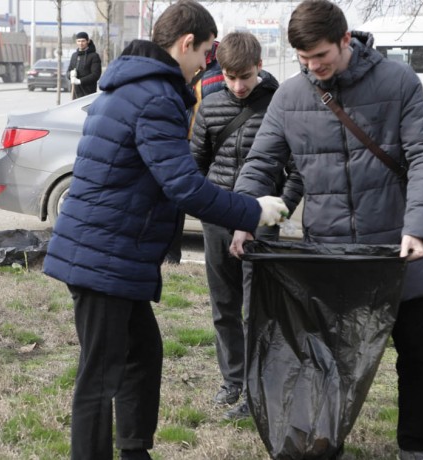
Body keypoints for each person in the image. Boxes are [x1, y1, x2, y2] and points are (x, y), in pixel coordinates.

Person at [42, 1, 289, 459]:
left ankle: (135, 450)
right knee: (100, 375)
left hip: (113, 251)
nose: (207, 64)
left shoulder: (131, 85)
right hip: (104, 254)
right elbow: (184, 187)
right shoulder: (156, 95)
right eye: (206, 53)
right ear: (186, 43)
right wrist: (251, 211)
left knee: (143, 354)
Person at [229, 1, 423, 458]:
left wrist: (418, 227)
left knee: (415, 355)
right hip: (327, 255)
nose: (313, 68)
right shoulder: (290, 96)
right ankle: (322, 441)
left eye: (321, 57)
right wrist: (244, 218)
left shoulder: (397, 81)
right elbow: (261, 163)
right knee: (322, 358)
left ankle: (414, 446)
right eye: (304, 60)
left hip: (394, 250)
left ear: (346, 40)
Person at [189, 31, 298, 420]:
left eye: (246, 77)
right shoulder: (210, 106)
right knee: (225, 307)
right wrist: (212, 207)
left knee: (260, 310)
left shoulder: (280, 106)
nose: (238, 86)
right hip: (218, 221)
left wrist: (274, 213)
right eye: (231, 77)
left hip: (263, 222)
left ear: (260, 67)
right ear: (222, 70)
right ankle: (232, 380)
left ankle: (258, 387)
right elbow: (196, 164)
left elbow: (296, 174)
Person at [166, 40, 224, 265]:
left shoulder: (213, 73)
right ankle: (173, 257)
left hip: (200, 145)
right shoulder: (183, 68)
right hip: (195, 144)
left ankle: (175, 256)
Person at [67, 31, 101, 99]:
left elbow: (95, 75)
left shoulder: (94, 56)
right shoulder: (74, 55)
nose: (81, 43)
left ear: (88, 41)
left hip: (88, 93)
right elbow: (68, 70)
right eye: (78, 41)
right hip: (75, 93)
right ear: (76, 42)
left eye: (83, 41)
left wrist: (80, 81)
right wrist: (70, 74)